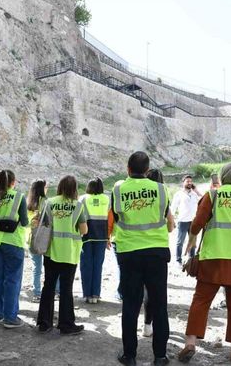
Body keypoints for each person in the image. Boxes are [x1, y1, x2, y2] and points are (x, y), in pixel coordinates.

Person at [178, 162, 231, 364]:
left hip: (214, 257)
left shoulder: (213, 195)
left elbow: (197, 223)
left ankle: (190, 343)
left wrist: (191, 240)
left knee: (201, 300)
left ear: (223, 176)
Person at [113, 152, 174, 366]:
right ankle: (160, 355)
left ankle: (129, 355)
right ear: (148, 170)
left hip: (129, 253)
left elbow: (117, 216)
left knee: (130, 304)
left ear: (128, 168)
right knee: (159, 305)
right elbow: (165, 217)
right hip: (156, 253)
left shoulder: (118, 189)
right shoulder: (161, 189)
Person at [36, 175, 88, 335]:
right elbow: (84, 230)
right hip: (70, 253)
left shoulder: (49, 202)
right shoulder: (78, 205)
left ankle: (44, 323)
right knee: (66, 288)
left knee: (48, 286)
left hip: (51, 251)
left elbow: (42, 224)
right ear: (74, 189)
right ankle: (66, 324)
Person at [0, 170, 28, 328]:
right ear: (13, 182)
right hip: (13, 242)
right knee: (12, 279)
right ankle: (10, 317)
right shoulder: (18, 197)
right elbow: (24, 221)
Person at [140, 169, 175, 338]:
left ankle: (144, 327)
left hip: (135, 248)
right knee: (157, 294)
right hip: (158, 249)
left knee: (140, 292)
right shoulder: (163, 196)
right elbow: (170, 225)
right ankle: (151, 328)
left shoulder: (138, 194)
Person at [79, 177, 109, 304]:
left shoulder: (83, 198)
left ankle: (86, 294)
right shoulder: (106, 199)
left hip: (86, 236)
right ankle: (95, 295)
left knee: (86, 265)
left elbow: (79, 217)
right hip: (102, 236)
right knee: (98, 265)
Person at [171, 175, 202, 263]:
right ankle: (178, 260)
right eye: (187, 181)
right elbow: (173, 208)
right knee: (180, 242)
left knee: (192, 241)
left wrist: (196, 191)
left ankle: (191, 259)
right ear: (183, 182)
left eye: (190, 181)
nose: (189, 183)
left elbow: (202, 200)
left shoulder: (194, 194)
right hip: (183, 221)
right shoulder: (178, 194)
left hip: (193, 221)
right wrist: (172, 220)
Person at [27, 179, 49, 302]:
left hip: (31, 238)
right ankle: (54, 291)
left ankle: (36, 292)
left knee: (37, 267)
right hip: (45, 237)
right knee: (50, 266)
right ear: (42, 188)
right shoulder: (46, 202)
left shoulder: (28, 202)